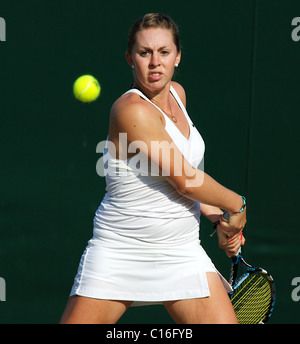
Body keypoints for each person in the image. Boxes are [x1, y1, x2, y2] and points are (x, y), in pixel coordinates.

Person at [60, 13, 246, 324]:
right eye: (144, 53)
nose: (155, 62)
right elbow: (186, 181)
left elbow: (185, 176)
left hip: (181, 251)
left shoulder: (178, 95)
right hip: (121, 251)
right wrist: (237, 204)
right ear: (130, 59)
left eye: (164, 52)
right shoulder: (130, 109)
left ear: (178, 57)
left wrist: (218, 219)